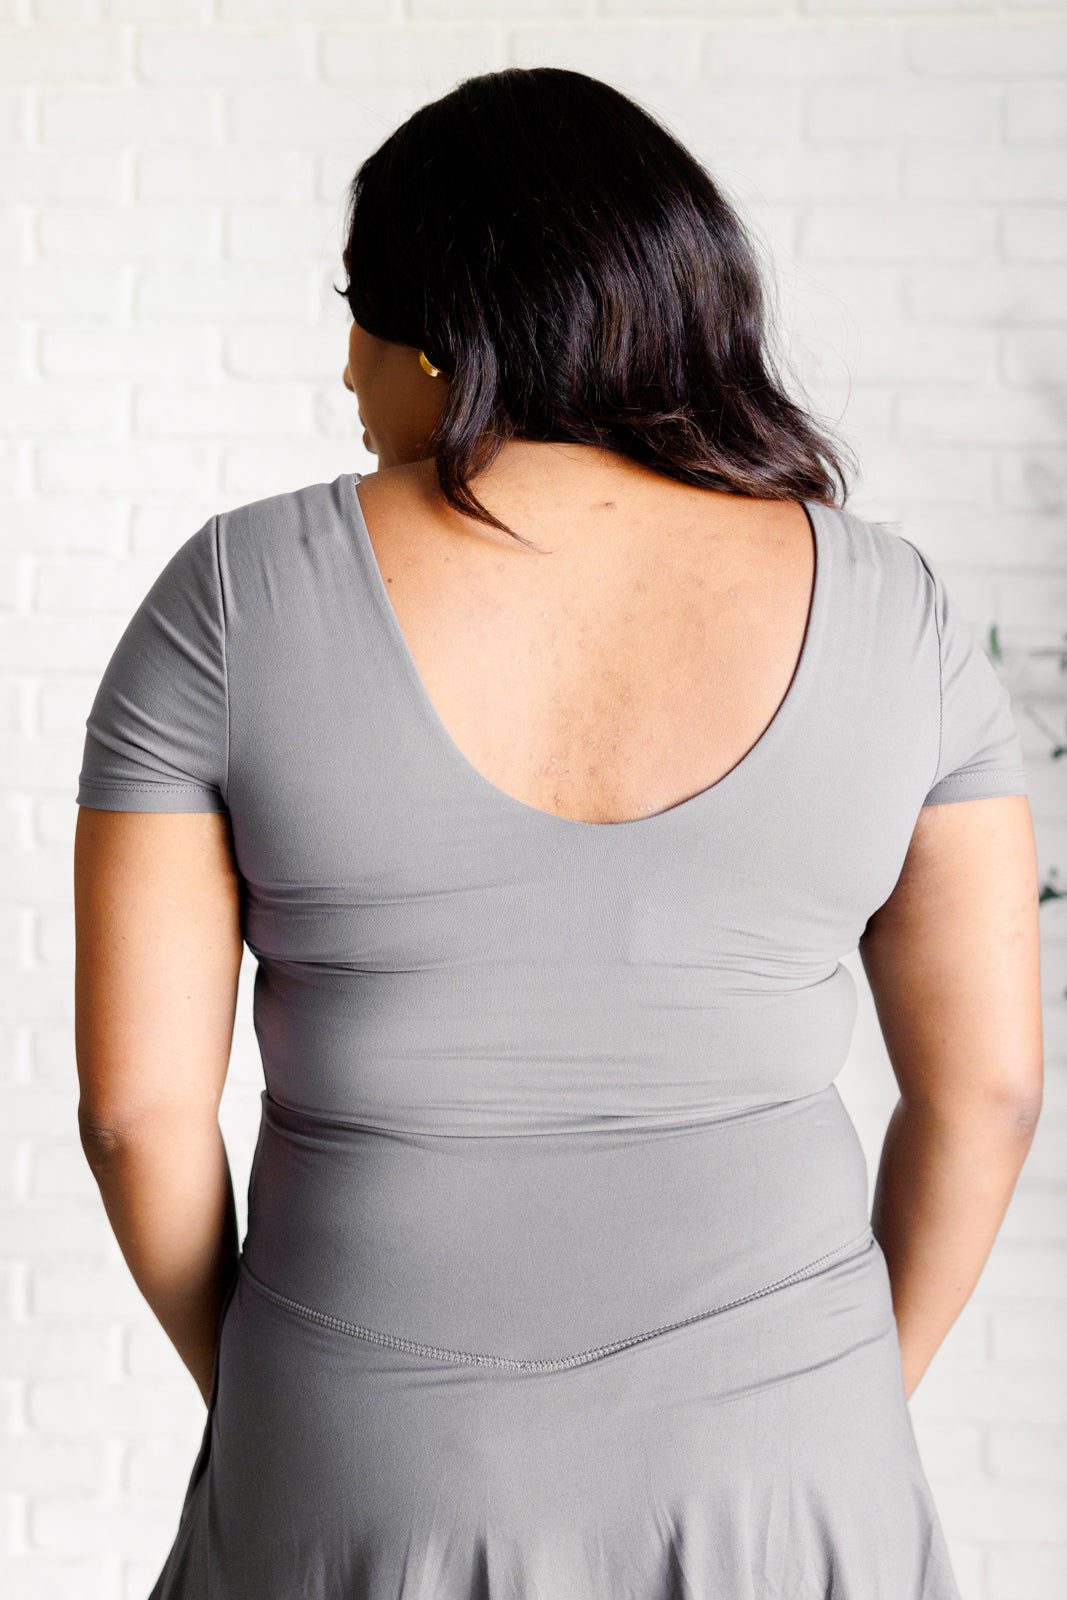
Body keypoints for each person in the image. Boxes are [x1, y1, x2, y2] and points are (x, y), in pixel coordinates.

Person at [72, 67, 1043, 1600]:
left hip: (360, 1446)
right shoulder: (897, 612)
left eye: (359, 315)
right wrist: (836, 1403)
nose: (346, 367)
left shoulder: (235, 597)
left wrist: (285, 1401)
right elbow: (987, 1093)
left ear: (445, 335)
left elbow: (137, 1115)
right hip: (797, 1442)